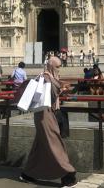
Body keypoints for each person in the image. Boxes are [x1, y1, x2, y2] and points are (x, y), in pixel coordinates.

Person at [20, 56, 77, 187]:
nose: (59, 69)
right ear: (51, 66)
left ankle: (28, 173)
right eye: (57, 66)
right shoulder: (45, 77)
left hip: (48, 113)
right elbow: (51, 93)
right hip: (45, 115)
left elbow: (54, 90)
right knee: (54, 142)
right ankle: (68, 173)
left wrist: (61, 87)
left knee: (40, 145)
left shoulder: (50, 76)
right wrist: (62, 88)